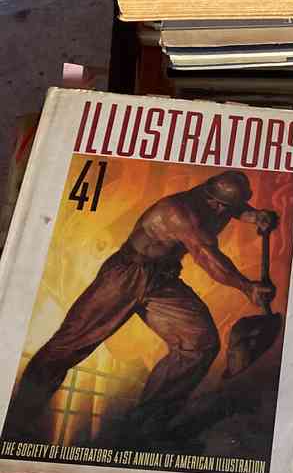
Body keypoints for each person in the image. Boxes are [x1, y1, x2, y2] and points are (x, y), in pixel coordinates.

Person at [6, 171, 278, 441]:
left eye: (227, 207)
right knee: (67, 346)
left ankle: (143, 428)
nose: (220, 211)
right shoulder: (178, 212)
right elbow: (207, 257)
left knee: (200, 344)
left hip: (163, 281)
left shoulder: (218, 203)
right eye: (219, 205)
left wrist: (255, 216)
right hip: (126, 275)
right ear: (210, 196)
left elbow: (235, 208)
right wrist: (247, 287)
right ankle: (16, 421)